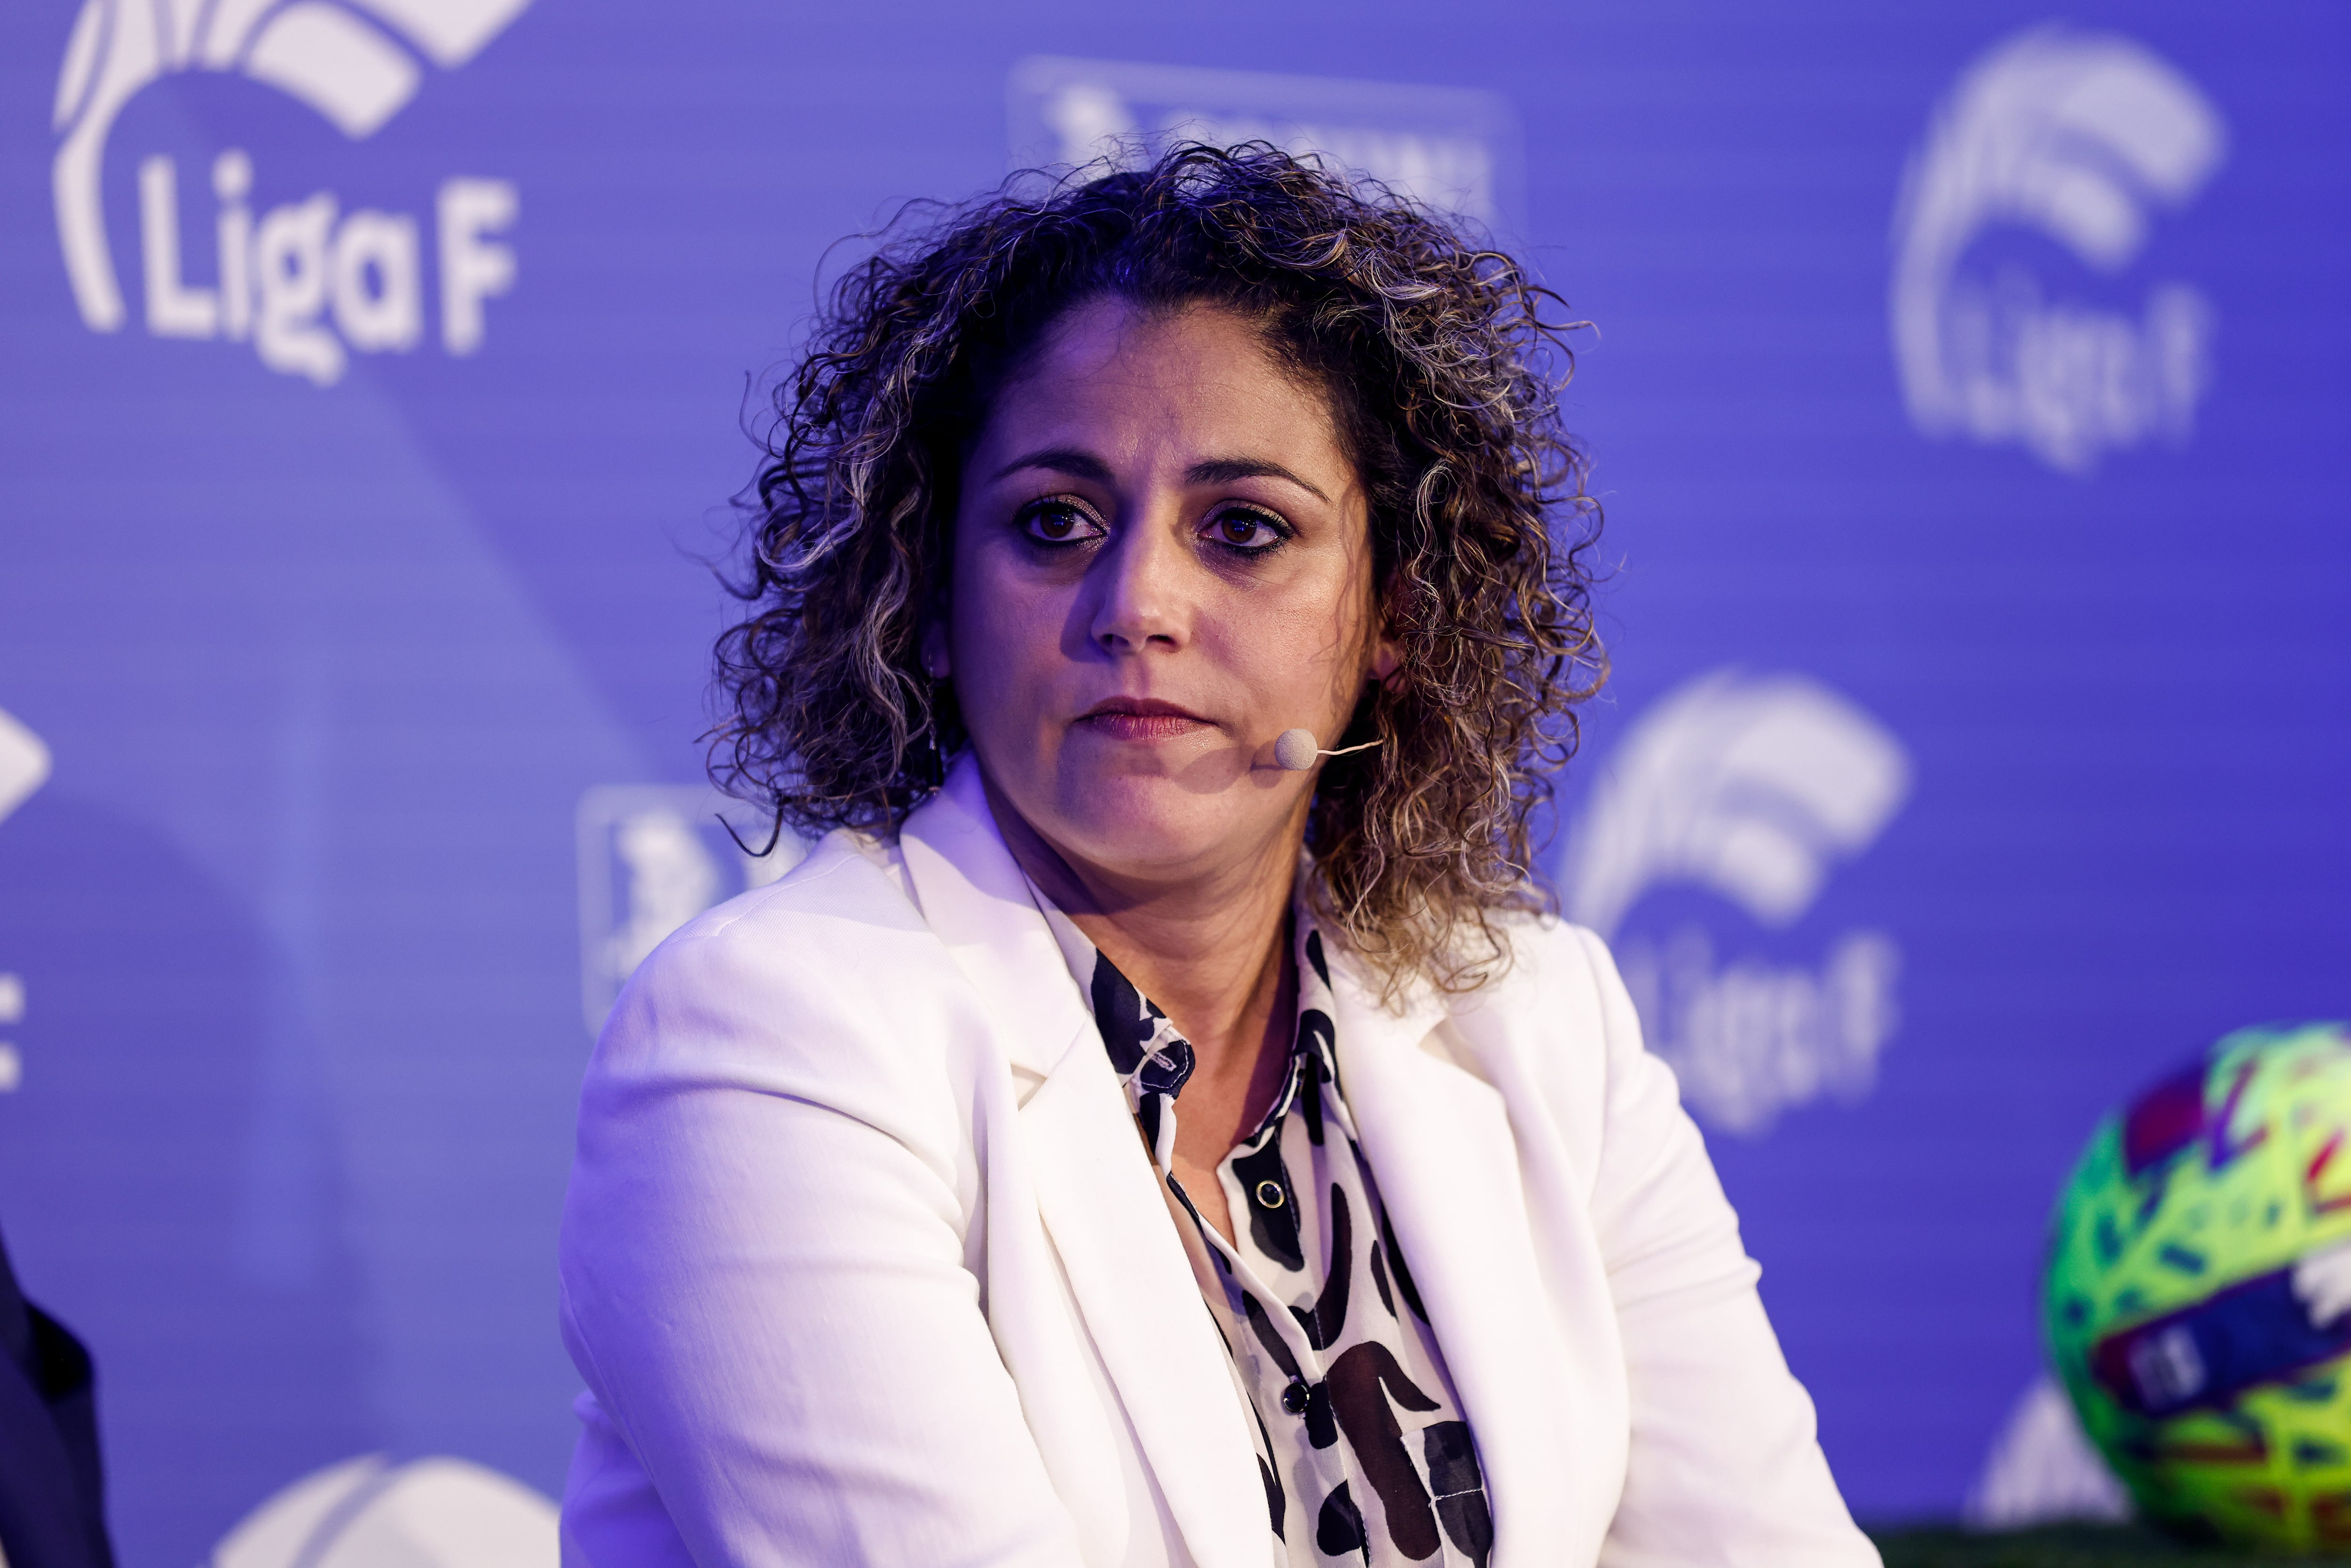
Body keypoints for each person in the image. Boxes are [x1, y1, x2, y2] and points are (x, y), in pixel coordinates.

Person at [558, 143, 1878, 1568]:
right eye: (1054, 524)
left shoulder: (1543, 1018)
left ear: (1394, 619)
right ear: (928, 599)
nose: (1140, 603)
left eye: (1245, 530)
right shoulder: (770, 1043)